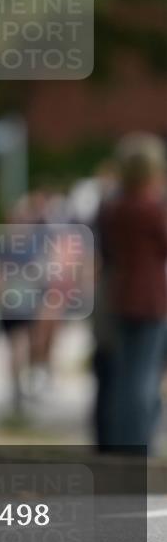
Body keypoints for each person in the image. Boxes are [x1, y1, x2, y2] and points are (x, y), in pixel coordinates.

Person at [96, 133, 167, 452]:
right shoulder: (151, 209)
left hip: (118, 295)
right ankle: (140, 444)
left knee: (124, 376)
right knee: (144, 377)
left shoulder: (111, 207)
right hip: (150, 298)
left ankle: (120, 442)